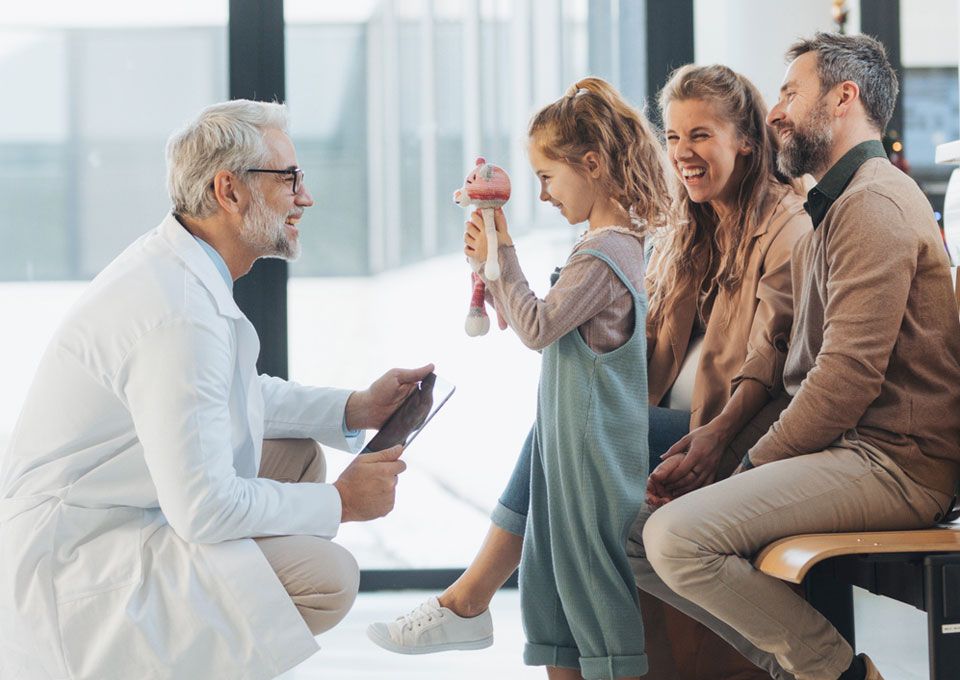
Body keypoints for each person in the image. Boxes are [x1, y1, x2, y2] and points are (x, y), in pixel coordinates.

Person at [369, 65, 811, 679]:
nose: (682, 152)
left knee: (561, 437)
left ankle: (470, 599)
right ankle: (477, 605)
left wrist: (707, 436)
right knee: (556, 436)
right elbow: (629, 332)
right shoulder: (687, 226)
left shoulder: (786, 225)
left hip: (730, 426)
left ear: (746, 140)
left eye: (700, 135)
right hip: (670, 412)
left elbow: (769, 360)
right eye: (675, 136)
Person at [0, 100, 432, 680]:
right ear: (229, 191)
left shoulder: (181, 270)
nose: (306, 197)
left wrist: (354, 406)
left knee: (296, 455)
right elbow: (204, 507)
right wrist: (343, 503)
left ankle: (211, 620)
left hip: (126, 505)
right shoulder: (177, 312)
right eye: (290, 179)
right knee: (329, 577)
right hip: (78, 557)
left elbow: (235, 393)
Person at [634, 32, 960, 680]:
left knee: (676, 537)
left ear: (844, 99)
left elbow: (846, 375)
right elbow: (775, 337)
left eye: (790, 92)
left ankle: (835, 674)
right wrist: (717, 441)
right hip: (846, 454)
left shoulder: (874, 203)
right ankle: (802, 670)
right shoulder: (827, 208)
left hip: (895, 464)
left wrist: (751, 467)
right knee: (633, 533)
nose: (775, 109)